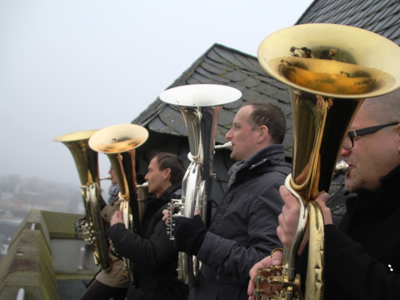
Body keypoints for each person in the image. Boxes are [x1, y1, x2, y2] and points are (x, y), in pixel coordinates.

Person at [248, 90, 400, 300]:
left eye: (351, 136)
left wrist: (321, 243)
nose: (341, 151)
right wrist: (294, 263)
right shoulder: (365, 201)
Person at [168, 102, 292, 299]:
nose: (228, 135)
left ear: (261, 133)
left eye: (237, 127)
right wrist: (193, 223)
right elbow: (234, 235)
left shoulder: (272, 185)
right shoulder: (250, 178)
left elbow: (267, 267)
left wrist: (200, 240)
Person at [106, 152, 189, 300]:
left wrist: (118, 231)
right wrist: (119, 244)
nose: (145, 177)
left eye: (150, 171)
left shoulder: (175, 207)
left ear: (166, 173)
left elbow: (154, 255)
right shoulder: (160, 204)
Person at [80, 166, 130, 300]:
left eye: (113, 168)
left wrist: (101, 205)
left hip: (120, 263)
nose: (109, 172)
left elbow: (123, 220)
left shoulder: (133, 192)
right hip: (112, 260)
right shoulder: (116, 193)